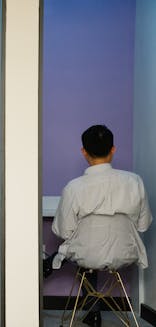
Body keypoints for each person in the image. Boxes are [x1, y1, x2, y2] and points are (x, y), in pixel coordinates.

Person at [51, 125, 153, 327]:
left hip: (86, 255)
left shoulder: (74, 187)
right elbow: (143, 225)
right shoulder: (135, 182)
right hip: (124, 254)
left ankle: (91, 310)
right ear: (113, 149)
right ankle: (93, 311)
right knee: (90, 248)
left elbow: (62, 231)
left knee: (84, 252)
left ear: (83, 151)